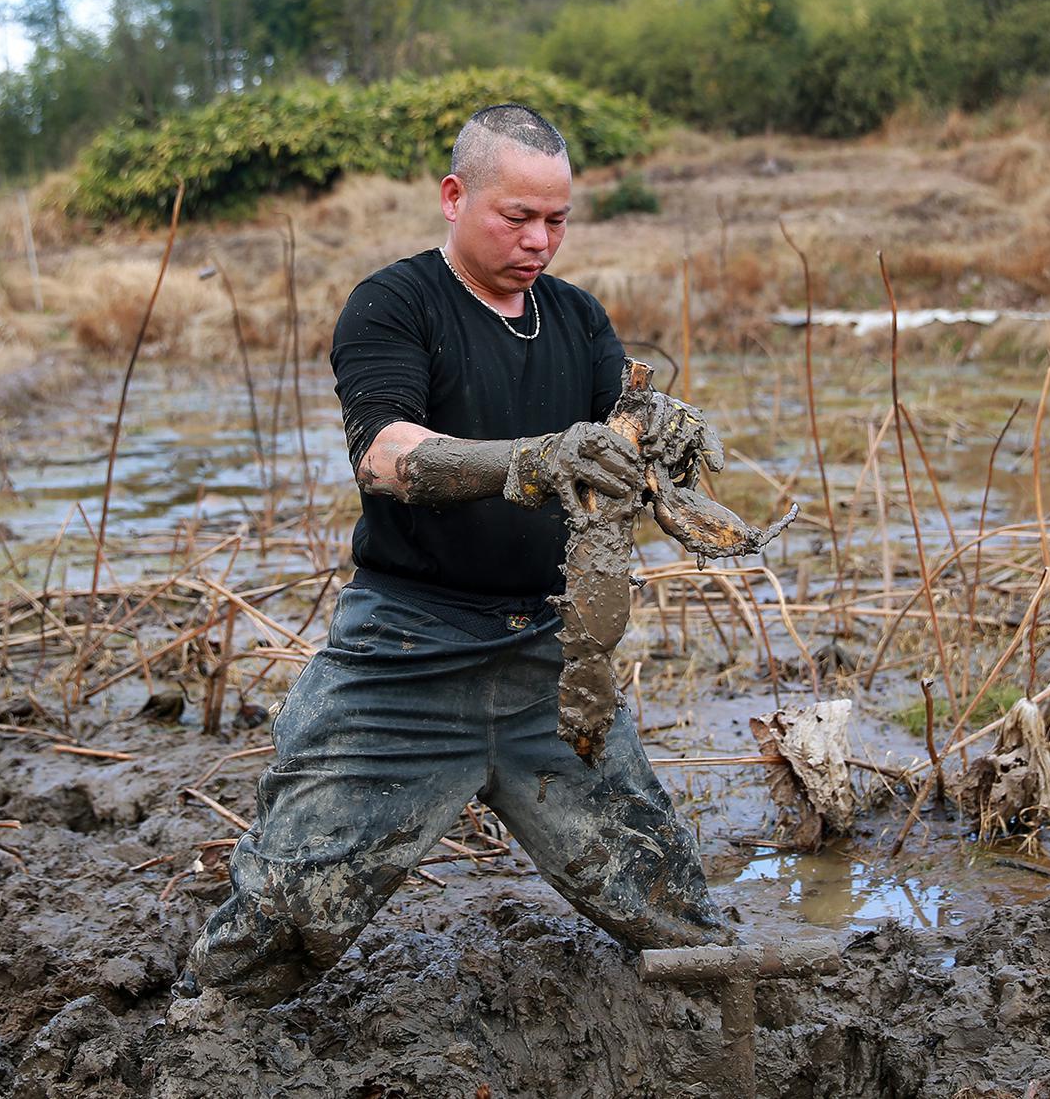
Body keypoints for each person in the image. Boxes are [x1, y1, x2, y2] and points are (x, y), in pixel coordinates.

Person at [175, 103, 730, 1006]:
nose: (541, 240)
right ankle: (196, 1042)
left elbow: (616, 447)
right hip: (403, 657)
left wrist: (654, 439)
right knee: (281, 916)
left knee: (665, 899)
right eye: (518, 217)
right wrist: (529, 459)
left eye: (557, 220)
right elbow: (386, 454)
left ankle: (740, 1024)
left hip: (547, 665)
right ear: (453, 195)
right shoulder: (394, 304)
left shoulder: (580, 320)